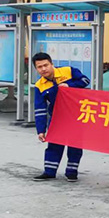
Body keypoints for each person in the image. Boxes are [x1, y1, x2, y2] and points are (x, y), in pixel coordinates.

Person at [31, 52, 90, 181]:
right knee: (54, 144)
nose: (43, 69)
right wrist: (41, 130)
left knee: (75, 144)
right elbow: (40, 109)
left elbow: (85, 80)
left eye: (46, 65)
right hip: (57, 117)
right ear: (36, 69)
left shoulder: (68, 71)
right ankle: (49, 172)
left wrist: (69, 86)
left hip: (76, 115)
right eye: (39, 67)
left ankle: (72, 172)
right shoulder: (39, 85)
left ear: (52, 64)